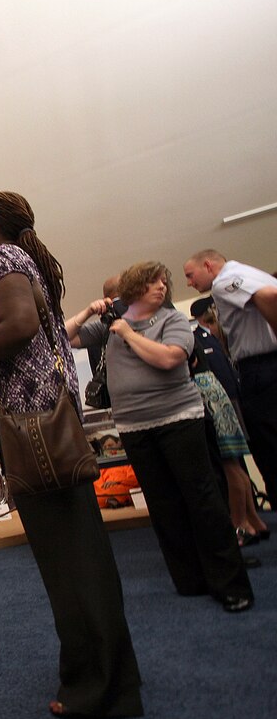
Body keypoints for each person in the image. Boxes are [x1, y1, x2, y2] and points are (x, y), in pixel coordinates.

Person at [0, 191, 143, 719]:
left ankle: (97, 688)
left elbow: (19, 326)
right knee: (83, 561)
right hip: (44, 431)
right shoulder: (22, 261)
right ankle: (112, 679)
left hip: (32, 436)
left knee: (70, 567)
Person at [67, 261, 254, 613]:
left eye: (163, 281)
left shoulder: (172, 321)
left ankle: (231, 585)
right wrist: (88, 311)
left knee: (202, 501)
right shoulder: (109, 326)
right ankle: (190, 580)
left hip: (178, 421)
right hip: (135, 429)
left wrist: (128, 333)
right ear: (135, 288)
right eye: (153, 282)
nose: (162, 287)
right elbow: (63, 337)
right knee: (163, 504)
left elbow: (170, 359)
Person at [183, 250, 277, 505]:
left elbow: (270, 296)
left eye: (190, 275)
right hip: (264, 368)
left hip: (261, 369)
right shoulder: (252, 273)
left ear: (208, 265)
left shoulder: (225, 282)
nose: (189, 283)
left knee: (269, 449)